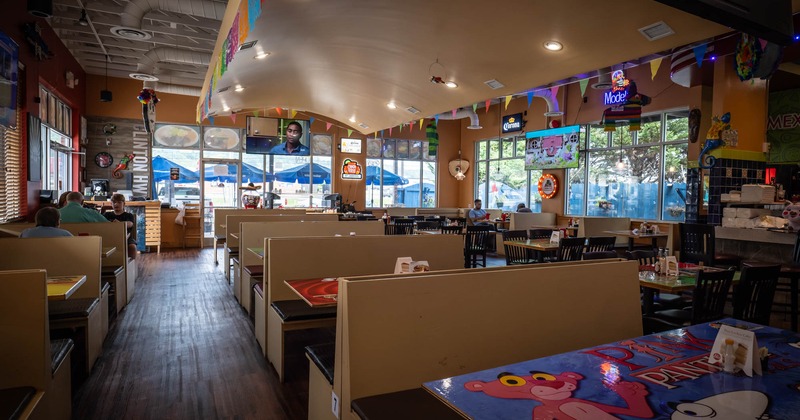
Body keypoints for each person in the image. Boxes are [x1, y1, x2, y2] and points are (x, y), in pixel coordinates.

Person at [104, 193, 138, 259]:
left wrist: (119, 224)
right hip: (110, 237)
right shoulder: (107, 214)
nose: (116, 204)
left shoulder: (128, 215)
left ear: (124, 204)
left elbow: (130, 223)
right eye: (114, 202)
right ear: (111, 204)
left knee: (132, 247)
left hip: (126, 237)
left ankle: (131, 265)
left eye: (119, 202)